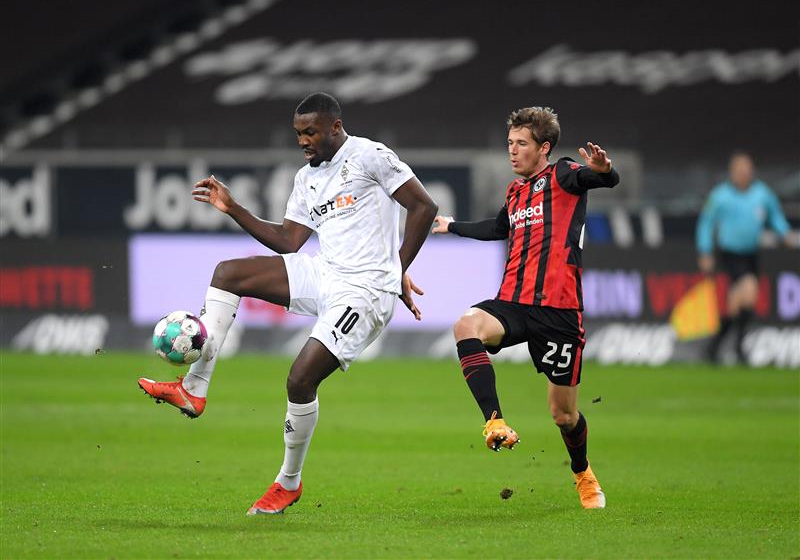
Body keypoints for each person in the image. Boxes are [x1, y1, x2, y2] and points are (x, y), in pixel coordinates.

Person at [138, 92, 438, 515]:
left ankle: (288, 482)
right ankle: (194, 389)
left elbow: (424, 207)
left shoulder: (370, 156)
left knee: (299, 380)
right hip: (326, 273)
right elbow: (288, 241)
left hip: (365, 292)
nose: (303, 140)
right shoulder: (308, 178)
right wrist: (233, 208)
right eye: (298, 133)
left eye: (310, 131)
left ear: (335, 126)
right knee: (228, 273)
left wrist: (394, 269)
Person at [431, 106, 619, 509]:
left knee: (563, 415)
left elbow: (600, 178)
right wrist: (452, 226)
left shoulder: (565, 174)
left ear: (544, 147)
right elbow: (499, 229)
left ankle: (583, 473)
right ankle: (494, 421)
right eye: (509, 144)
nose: (512, 152)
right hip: (513, 304)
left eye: (521, 144)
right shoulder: (515, 193)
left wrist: (605, 170)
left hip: (559, 312)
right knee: (466, 326)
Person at [696, 151, 792, 364]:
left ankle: (714, 347)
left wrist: (784, 234)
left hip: (751, 254)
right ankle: (739, 349)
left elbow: (775, 216)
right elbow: (706, 223)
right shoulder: (720, 196)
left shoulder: (762, 194)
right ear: (732, 172)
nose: (743, 174)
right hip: (730, 253)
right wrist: (705, 251)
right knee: (748, 291)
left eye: (747, 170)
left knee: (737, 304)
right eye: (739, 170)